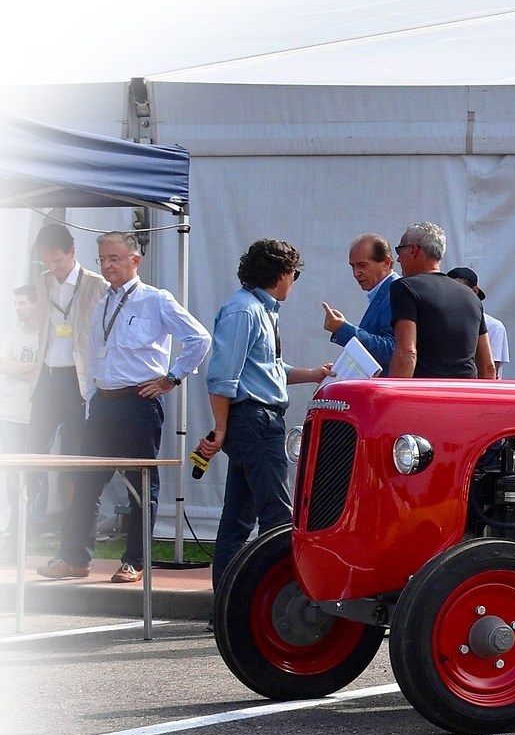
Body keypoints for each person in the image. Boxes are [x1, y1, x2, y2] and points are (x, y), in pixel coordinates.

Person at [42, 231, 209, 583]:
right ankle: (74, 557)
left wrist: (172, 378)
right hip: (104, 401)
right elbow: (92, 354)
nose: (107, 265)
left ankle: (135, 560)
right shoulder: (102, 301)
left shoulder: (156, 300)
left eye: (114, 258)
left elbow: (199, 338)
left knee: (140, 484)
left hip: (138, 402)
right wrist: (90, 397)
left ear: (135, 260)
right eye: (102, 258)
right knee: (85, 480)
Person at [195, 239, 333, 590]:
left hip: (254, 419)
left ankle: (227, 604)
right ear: (282, 273)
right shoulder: (245, 310)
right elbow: (222, 376)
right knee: (276, 516)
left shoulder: (259, 307)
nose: (294, 281)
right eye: (295, 274)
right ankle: (281, 599)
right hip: (253, 421)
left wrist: (313, 373)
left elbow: (267, 368)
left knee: (238, 520)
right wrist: (221, 429)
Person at [28, 223, 105, 537]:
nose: (52, 267)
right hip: (46, 377)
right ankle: (23, 526)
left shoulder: (95, 284)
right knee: (31, 454)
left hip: (78, 381)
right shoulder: (43, 282)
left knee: (77, 458)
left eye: (57, 261)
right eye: (46, 261)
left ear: (73, 252)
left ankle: (75, 531)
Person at [386, 223, 492, 380]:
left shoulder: (405, 287)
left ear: (414, 250)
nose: (398, 259)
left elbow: (407, 353)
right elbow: (487, 365)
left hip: (425, 394)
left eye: (399, 250)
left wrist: (392, 397)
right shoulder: (471, 297)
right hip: (465, 395)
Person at [322, 233, 395, 370]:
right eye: (353, 266)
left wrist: (343, 329)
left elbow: (392, 350)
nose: (356, 273)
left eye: (362, 265)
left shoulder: (395, 293)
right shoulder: (384, 292)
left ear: (386, 262)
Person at [1, 286, 38, 543]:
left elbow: (46, 369)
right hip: (10, 413)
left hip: (35, 416)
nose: (17, 307)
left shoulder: (43, 337)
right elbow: (5, 365)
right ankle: (13, 526)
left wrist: (21, 368)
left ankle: (29, 525)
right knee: (12, 473)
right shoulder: (11, 335)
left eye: (23, 303)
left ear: (36, 305)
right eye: (16, 303)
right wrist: (32, 369)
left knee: (34, 474)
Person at [446, 267, 510, 376]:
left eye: (459, 290)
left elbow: (490, 369)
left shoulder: (494, 327)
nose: (453, 295)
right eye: (448, 290)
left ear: (474, 291)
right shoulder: (442, 322)